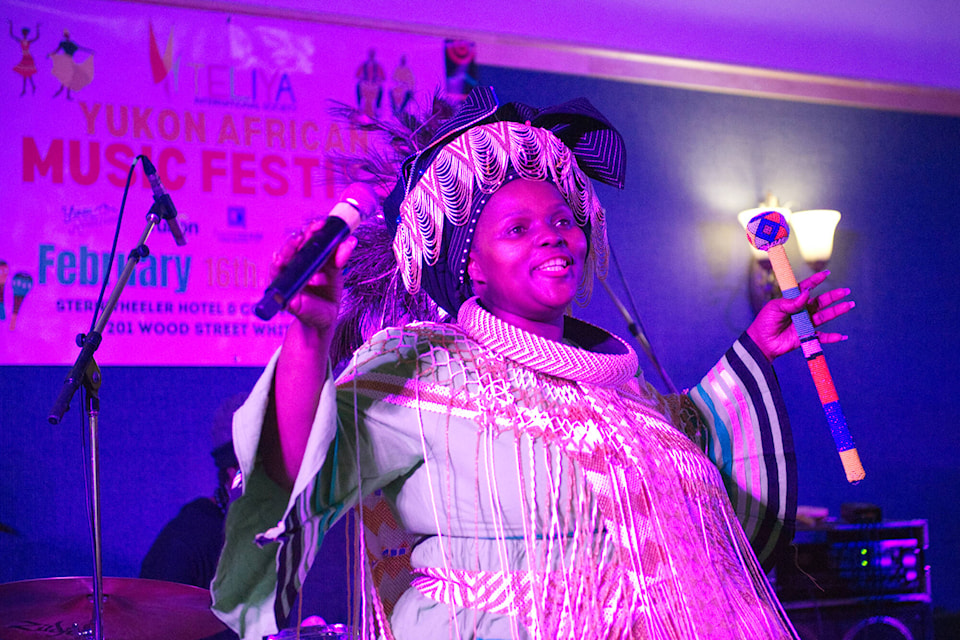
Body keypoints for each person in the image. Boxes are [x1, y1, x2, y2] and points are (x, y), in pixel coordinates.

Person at [211, 86, 854, 640]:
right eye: (516, 229)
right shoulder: (420, 368)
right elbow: (299, 467)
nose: (553, 235)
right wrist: (309, 336)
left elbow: (691, 454)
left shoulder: (617, 387)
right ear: (470, 264)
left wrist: (755, 349)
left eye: (563, 219)